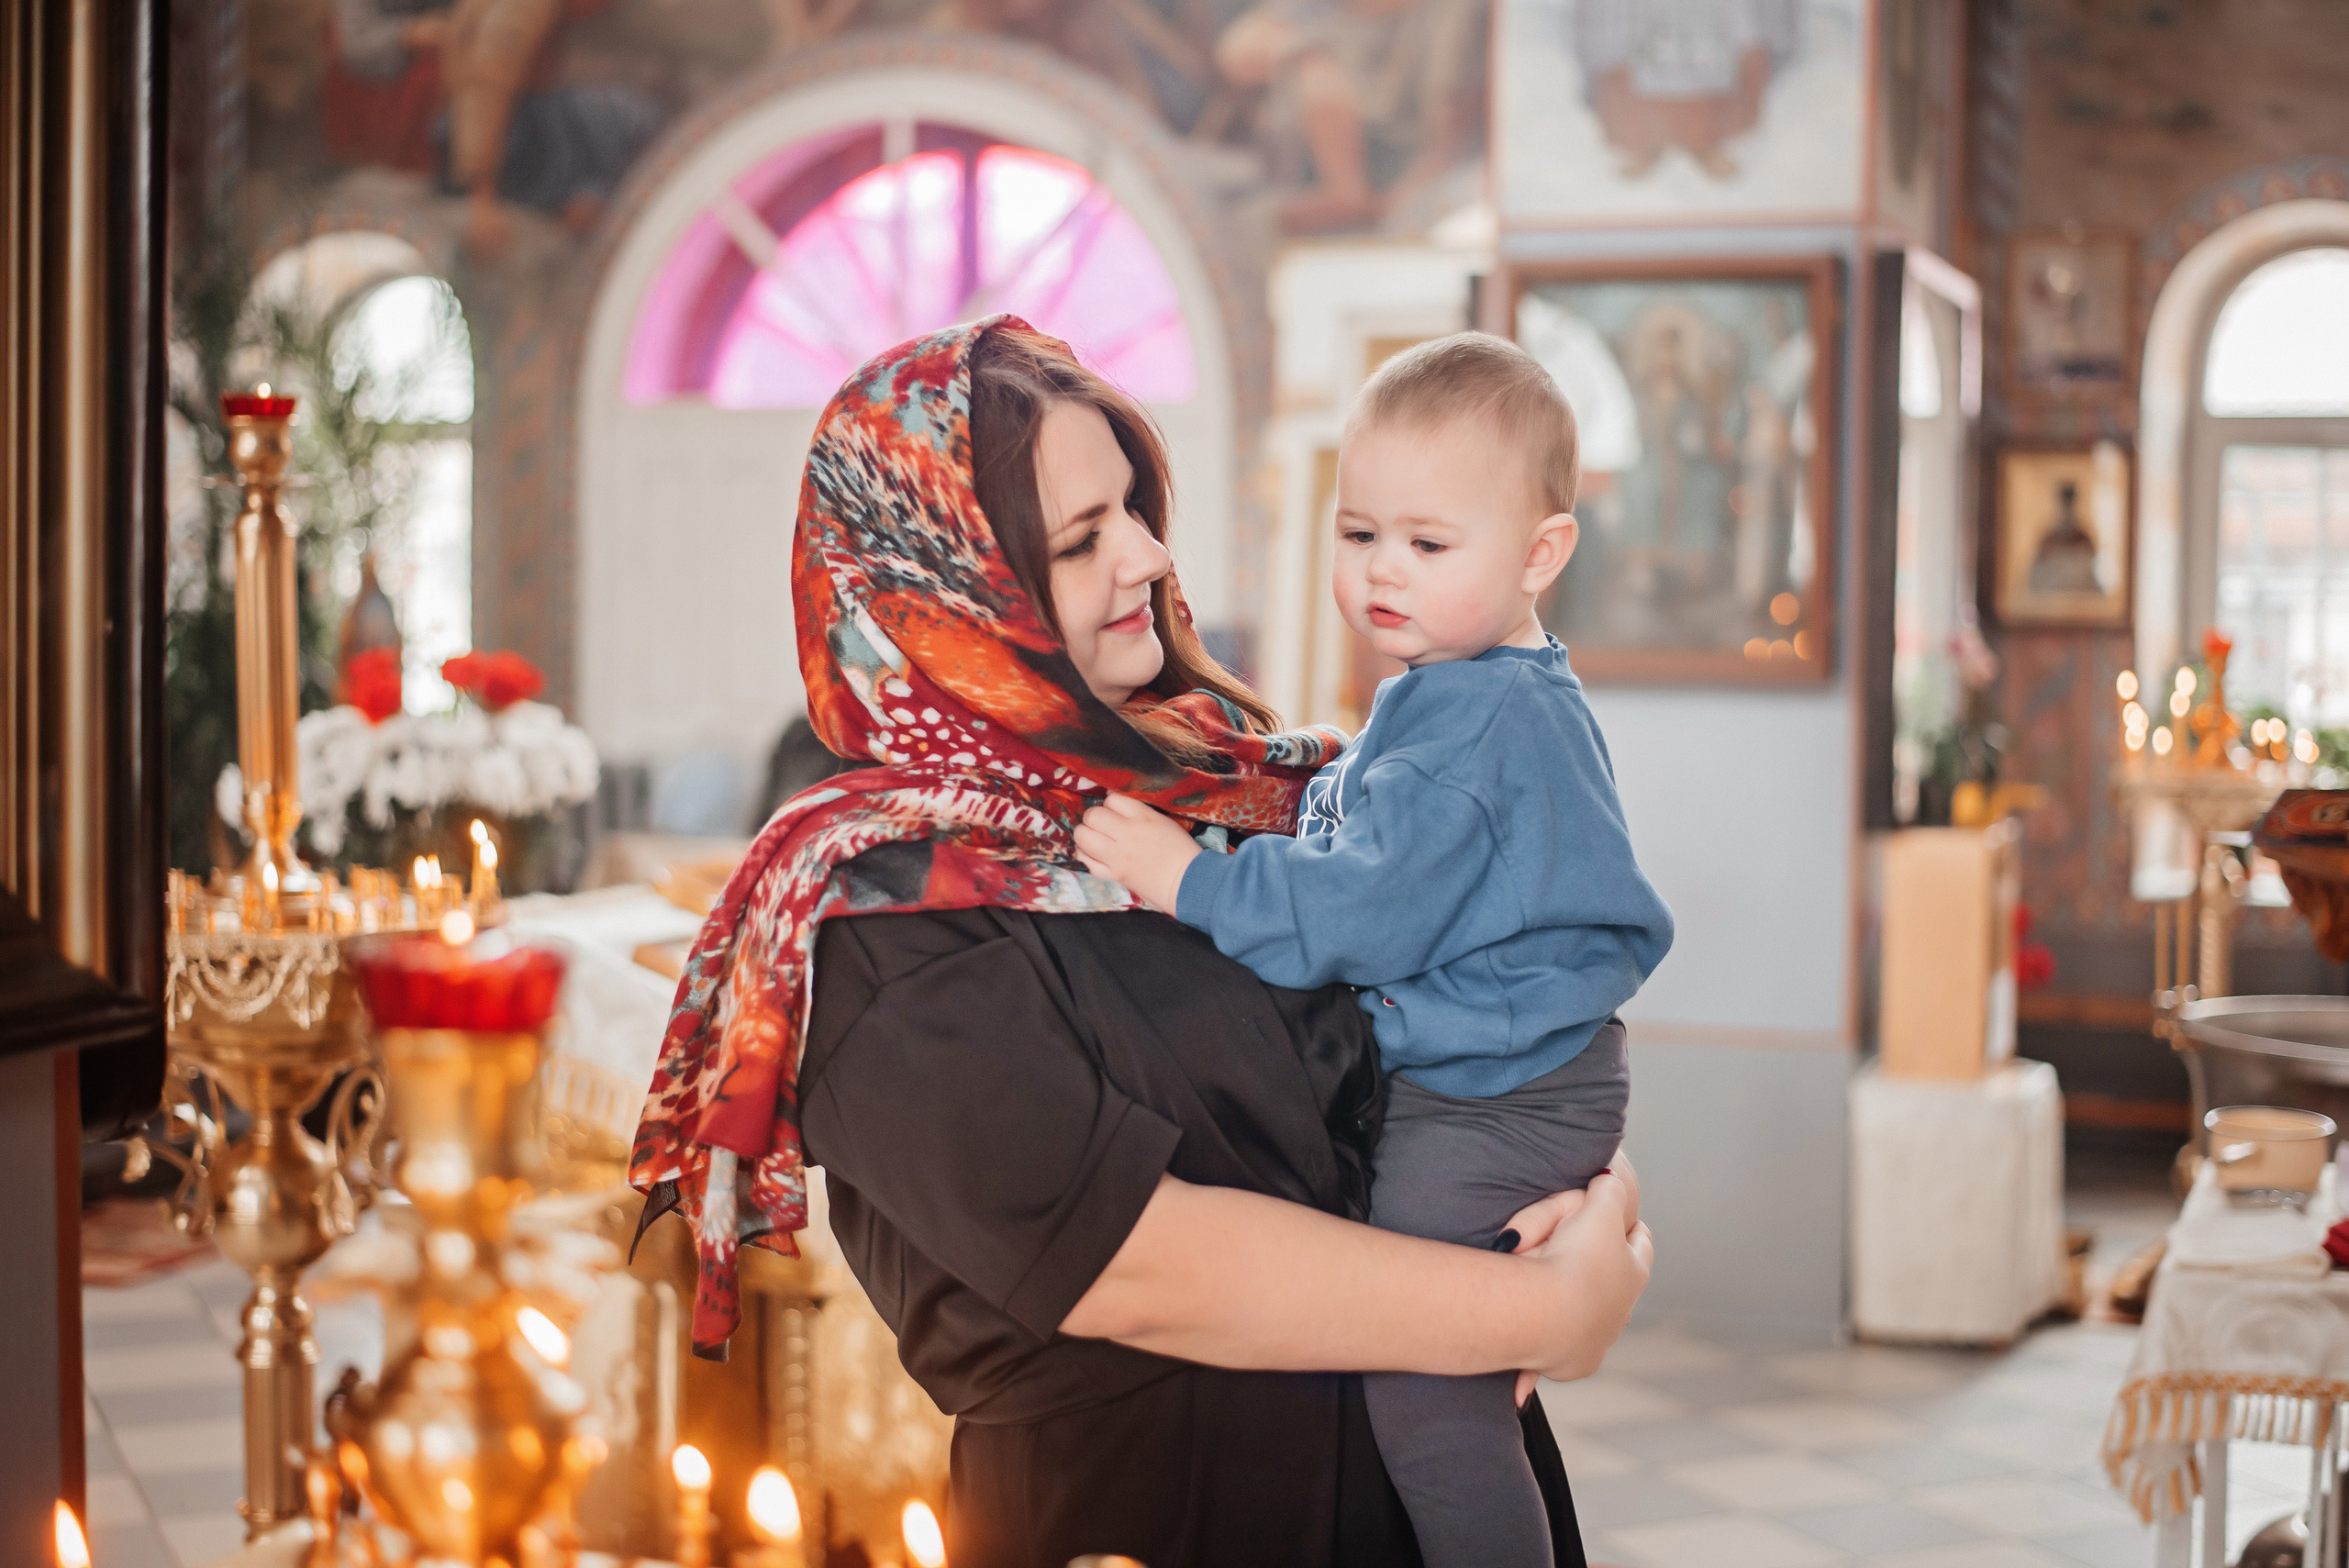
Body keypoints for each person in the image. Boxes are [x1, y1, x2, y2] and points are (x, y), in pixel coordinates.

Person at [629, 317, 1653, 1568]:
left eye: (1133, 507)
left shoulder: (1222, 781)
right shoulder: (878, 920)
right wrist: (1547, 1304)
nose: (1151, 555)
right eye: (1082, 538)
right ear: (951, 591)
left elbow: (1474, 1013)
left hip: (1415, 1485)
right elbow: (1140, 1264)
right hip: (1159, 1521)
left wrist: (1595, 1207)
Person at [1074, 332, 1674, 1568]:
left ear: (1540, 553)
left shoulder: (1467, 730)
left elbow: (1358, 912)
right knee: (1442, 1356)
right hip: (1516, 1077)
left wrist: (1185, 877)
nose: (1383, 571)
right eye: (1358, 536)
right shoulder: (1474, 687)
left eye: (1428, 543)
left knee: (1429, 1390)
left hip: (1489, 1102)